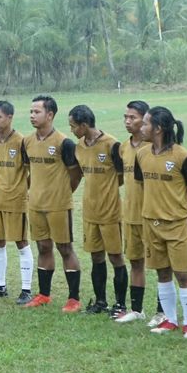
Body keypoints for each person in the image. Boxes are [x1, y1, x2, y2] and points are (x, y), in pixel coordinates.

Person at [133, 107, 187, 337]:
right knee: (162, 273)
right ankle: (170, 320)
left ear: (158, 128)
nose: (141, 128)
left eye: (145, 124)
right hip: (150, 223)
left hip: (176, 224)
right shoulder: (141, 155)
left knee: (183, 274)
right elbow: (143, 184)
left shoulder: (183, 157)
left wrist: (171, 204)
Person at [20, 95, 81, 309]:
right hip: (35, 205)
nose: (32, 116)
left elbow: (76, 174)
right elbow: (30, 172)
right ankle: (44, 294)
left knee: (65, 248)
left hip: (58, 205)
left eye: (36, 112)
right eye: (31, 112)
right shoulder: (26, 141)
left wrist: (63, 193)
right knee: (43, 247)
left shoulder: (64, 143)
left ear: (50, 114)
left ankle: (74, 299)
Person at [68, 104, 125, 316]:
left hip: (110, 212)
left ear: (85, 125)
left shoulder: (112, 144)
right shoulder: (79, 147)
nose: (72, 131)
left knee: (116, 257)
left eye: (74, 126)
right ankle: (100, 302)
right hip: (90, 212)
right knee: (96, 257)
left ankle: (120, 305)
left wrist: (107, 191)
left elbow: (121, 176)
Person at [0, 100, 34, 303]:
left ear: (10, 117)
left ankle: (26, 289)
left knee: (21, 242)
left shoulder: (22, 142)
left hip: (17, 200)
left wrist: (21, 188)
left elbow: (31, 171)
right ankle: (0, 286)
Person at [116, 101, 153, 324]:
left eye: (133, 118)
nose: (128, 122)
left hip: (153, 216)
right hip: (130, 215)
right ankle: (137, 309)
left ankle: (162, 311)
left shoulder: (153, 148)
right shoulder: (123, 147)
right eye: (126, 117)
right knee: (135, 261)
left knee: (161, 265)